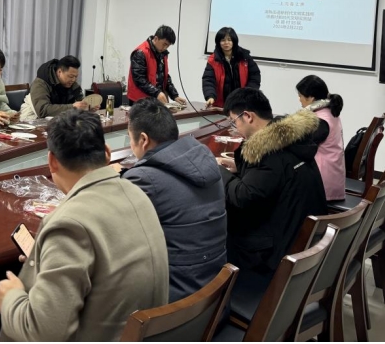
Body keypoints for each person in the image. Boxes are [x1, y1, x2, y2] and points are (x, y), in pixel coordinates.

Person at [0, 109, 169, 342]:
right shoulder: (138, 194)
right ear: (107, 153)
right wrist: (48, 256)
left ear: (52, 161)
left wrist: (11, 296)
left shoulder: (70, 224)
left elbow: (43, 333)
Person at [122, 98, 227, 302]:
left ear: (143, 139)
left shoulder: (143, 178)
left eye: (130, 138)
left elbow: (116, 238)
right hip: (214, 295)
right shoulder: (203, 157)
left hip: (175, 304)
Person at [217, 87, 327, 274]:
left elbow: (243, 196)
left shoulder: (267, 152)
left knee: (217, 234)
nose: (235, 128)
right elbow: (277, 175)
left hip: (276, 254)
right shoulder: (289, 139)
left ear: (248, 116)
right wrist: (241, 169)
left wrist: (218, 171)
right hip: (302, 239)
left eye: (234, 121)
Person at [297, 75, 346, 201]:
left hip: (324, 184)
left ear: (311, 98)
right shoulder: (329, 112)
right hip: (332, 176)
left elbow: (303, 148)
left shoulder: (320, 120)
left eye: (300, 95)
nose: (299, 99)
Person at [127, 25, 187, 106]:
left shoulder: (163, 54)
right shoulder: (141, 52)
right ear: (156, 39)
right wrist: (157, 93)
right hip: (140, 101)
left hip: (154, 99)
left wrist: (174, 95)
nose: (165, 48)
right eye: (164, 44)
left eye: (168, 46)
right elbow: (139, 79)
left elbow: (165, 77)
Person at [203, 26, 261, 108]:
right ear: (218, 42)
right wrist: (210, 96)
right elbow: (208, 80)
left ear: (234, 41)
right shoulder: (213, 60)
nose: (226, 42)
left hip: (242, 103)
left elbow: (255, 76)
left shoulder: (245, 57)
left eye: (229, 40)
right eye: (223, 40)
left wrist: (248, 94)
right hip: (221, 105)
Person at [22, 55, 88, 119]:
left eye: (76, 77)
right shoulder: (41, 83)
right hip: (32, 118)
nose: (73, 80)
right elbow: (42, 110)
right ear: (59, 72)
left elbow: (81, 101)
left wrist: (87, 106)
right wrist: (72, 107)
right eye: (71, 76)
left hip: (58, 118)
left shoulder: (72, 83)